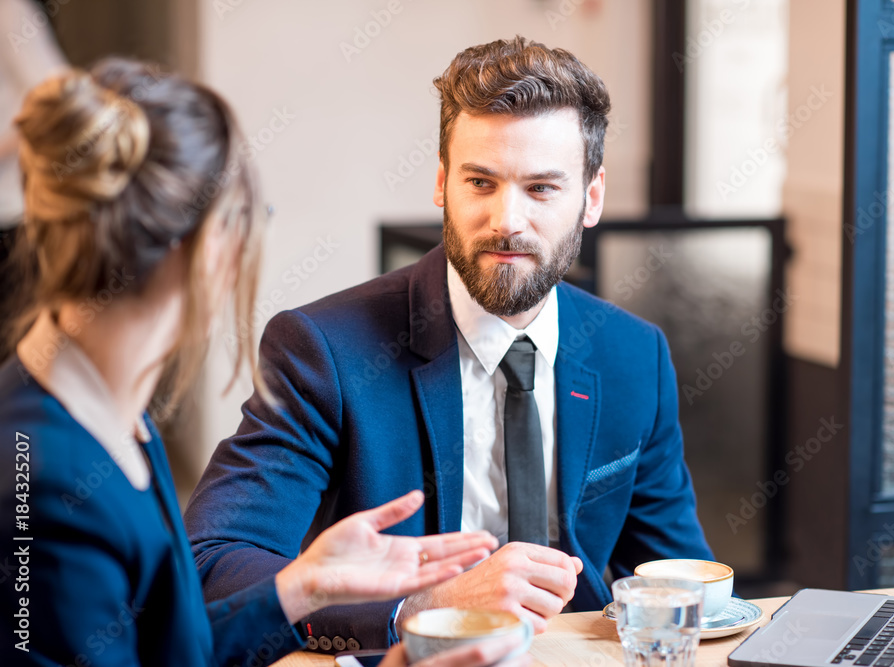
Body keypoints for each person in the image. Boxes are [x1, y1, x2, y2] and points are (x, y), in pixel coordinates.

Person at [184, 36, 714, 653]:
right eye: (481, 182)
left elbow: (680, 580)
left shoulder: (633, 355)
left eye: (541, 188)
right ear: (442, 184)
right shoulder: (324, 350)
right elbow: (209, 566)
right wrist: (419, 607)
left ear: (591, 198)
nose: (507, 219)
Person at [0, 58, 512, 667]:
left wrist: (304, 586)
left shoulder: (109, 414)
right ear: (208, 245)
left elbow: (166, 648)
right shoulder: (46, 483)